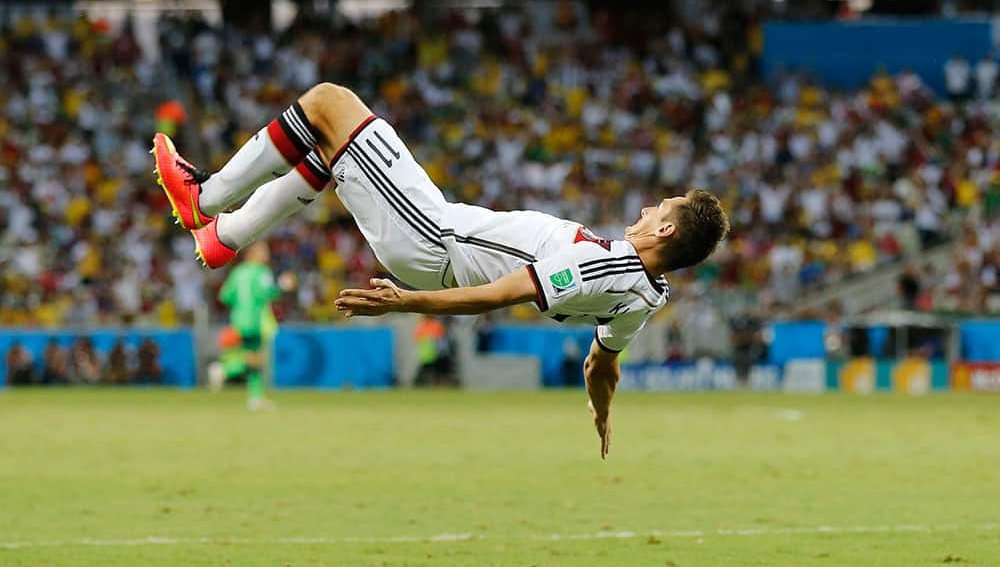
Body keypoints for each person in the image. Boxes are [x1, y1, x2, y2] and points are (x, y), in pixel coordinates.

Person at [153, 82, 729, 457]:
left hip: (432, 235)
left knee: (330, 103)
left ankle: (203, 198)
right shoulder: (646, 297)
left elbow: (501, 294)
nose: (650, 207)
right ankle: (225, 237)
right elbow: (603, 362)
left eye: (663, 207)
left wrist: (404, 302)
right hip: (435, 243)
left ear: (666, 232)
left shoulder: (602, 264)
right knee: (331, 150)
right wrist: (601, 415)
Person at [212, 241, 292, 410]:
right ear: (253, 253)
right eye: (263, 251)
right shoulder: (261, 271)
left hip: (238, 319)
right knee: (254, 360)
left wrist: (240, 305)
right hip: (255, 320)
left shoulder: (237, 272)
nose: (266, 255)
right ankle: (224, 371)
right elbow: (268, 292)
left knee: (252, 358)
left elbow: (225, 296)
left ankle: (255, 399)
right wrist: (283, 286)